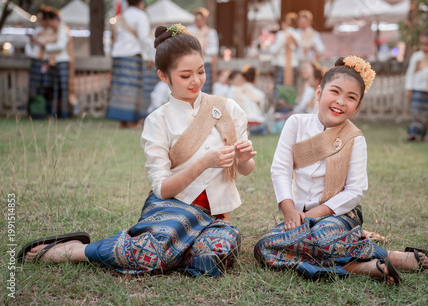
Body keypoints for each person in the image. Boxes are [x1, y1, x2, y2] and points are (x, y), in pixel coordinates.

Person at [17, 24, 257, 277]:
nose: (196, 80)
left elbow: (245, 169)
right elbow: (162, 189)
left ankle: (170, 252)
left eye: (201, 71)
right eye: (185, 76)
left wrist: (243, 159)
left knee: (218, 251)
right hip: (172, 209)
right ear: (163, 76)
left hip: (215, 219)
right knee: (152, 251)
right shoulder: (158, 121)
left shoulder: (227, 108)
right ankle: (79, 250)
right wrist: (204, 162)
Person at [254, 56, 428, 284]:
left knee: (321, 236)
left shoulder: (355, 139)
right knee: (264, 247)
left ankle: (385, 256)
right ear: (318, 92)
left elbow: (356, 190)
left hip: (338, 215)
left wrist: (313, 215)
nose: (341, 102)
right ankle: (370, 265)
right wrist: (289, 209)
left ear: (357, 106)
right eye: (335, 92)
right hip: (297, 216)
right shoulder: (296, 124)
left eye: (351, 98)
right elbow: (280, 169)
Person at [106, 0, 151, 128]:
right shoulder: (141, 16)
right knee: (132, 88)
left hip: (118, 55)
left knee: (120, 88)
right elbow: (144, 38)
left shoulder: (122, 15)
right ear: (141, 2)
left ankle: (122, 121)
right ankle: (131, 121)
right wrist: (151, 55)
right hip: (132, 55)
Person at [42, 6, 75, 119]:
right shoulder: (56, 31)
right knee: (56, 89)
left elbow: (60, 46)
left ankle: (65, 114)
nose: (50, 25)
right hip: (56, 63)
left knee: (63, 89)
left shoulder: (62, 29)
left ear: (55, 20)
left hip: (62, 62)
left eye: (50, 22)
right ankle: (56, 113)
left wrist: (46, 47)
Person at [269, 12, 300, 110]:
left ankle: (279, 110)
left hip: (281, 64)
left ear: (284, 23)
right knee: (290, 89)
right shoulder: (297, 34)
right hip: (293, 65)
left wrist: (269, 47)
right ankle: (289, 109)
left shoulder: (282, 34)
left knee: (278, 89)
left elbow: (274, 50)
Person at [227, 66, 267, 135]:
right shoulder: (259, 93)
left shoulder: (235, 89)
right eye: (238, 79)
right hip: (256, 124)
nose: (240, 81)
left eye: (241, 79)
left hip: (245, 124)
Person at [187, 7, 219, 94]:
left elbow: (214, 49)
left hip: (204, 61)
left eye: (200, 19)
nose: (198, 21)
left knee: (203, 86)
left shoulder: (210, 32)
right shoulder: (190, 30)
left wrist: (202, 50)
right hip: (191, 61)